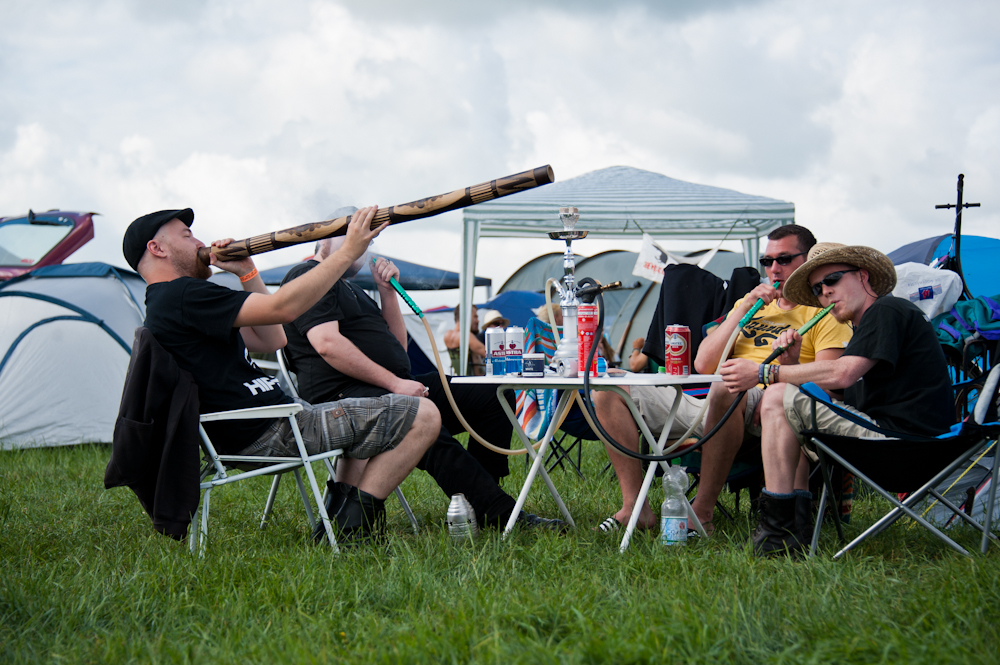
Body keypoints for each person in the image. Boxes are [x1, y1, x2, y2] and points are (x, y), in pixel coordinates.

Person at [124, 206, 440, 547]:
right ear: (157, 248)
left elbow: (273, 338)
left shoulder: (170, 304)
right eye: (187, 236)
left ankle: (334, 521)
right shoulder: (182, 294)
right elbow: (284, 309)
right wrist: (348, 251)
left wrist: (247, 272)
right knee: (424, 415)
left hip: (265, 427)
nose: (200, 242)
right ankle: (351, 529)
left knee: (365, 417)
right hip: (274, 430)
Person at [279, 211, 567, 536]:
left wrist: (387, 292)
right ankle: (498, 511)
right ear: (326, 239)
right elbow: (327, 344)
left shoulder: (351, 289)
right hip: (347, 396)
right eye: (354, 238)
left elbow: (397, 348)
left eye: (367, 241)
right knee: (419, 416)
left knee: (492, 394)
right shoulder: (307, 275)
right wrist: (395, 384)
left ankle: (480, 498)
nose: (363, 247)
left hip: (387, 386)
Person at [591, 225, 853, 535]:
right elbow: (703, 363)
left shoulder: (822, 313)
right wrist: (743, 308)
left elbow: (827, 384)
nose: (773, 269)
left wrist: (788, 369)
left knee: (725, 387)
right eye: (766, 261)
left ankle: (702, 512)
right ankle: (635, 509)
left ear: (808, 261)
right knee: (609, 389)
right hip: (710, 400)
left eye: (783, 259)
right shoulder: (752, 304)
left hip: (770, 406)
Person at [720, 243, 956, 556]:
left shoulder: (886, 310)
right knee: (788, 407)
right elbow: (837, 395)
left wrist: (766, 373)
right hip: (910, 446)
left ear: (863, 276)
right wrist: (792, 365)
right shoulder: (866, 327)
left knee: (777, 396)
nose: (825, 292)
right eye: (817, 289)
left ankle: (778, 533)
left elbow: (843, 374)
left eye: (832, 280)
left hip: (906, 445)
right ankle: (791, 532)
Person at [444, 304, 486, 375]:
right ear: (466, 316)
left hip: (456, 378)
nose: (478, 321)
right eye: (475, 317)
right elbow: (490, 354)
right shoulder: (465, 336)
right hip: (472, 380)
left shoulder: (447, 335)